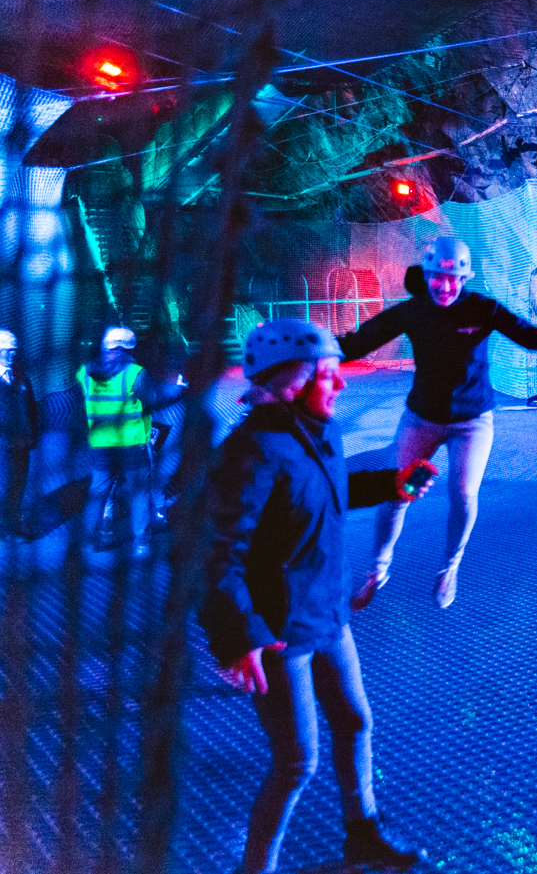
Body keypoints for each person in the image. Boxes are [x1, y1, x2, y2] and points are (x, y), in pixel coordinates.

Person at [200, 318, 432, 874]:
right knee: (295, 763)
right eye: (330, 375)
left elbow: (327, 491)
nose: (343, 385)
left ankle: (363, 837)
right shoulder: (250, 452)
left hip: (327, 615)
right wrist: (240, 638)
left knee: (355, 721)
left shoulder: (316, 429)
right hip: (281, 632)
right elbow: (214, 555)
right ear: (290, 381)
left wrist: (391, 485)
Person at [338, 236, 537, 610]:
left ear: (464, 280)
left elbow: (518, 329)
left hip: (471, 422)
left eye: (453, 280)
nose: (444, 287)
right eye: (436, 279)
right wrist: (315, 351)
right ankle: (377, 571)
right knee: (398, 492)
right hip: (422, 421)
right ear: (426, 276)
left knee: (462, 494)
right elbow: (365, 339)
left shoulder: (480, 308)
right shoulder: (413, 311)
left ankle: (449, 567)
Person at [76, 325, 184, 551]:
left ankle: (89, 539)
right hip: (132, 443)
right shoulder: (135, 372)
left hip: (100, 444)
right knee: (138, 493)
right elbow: (153, 401)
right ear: (128, 348)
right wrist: (179, 390)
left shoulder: (84, 372)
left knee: (98, 491)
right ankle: (140, 542)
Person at [0, 329, 38, 535]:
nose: (12, 355)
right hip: (3, 443)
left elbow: (31, 406)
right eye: (8, 351)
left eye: (14, 351)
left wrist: (33, 433)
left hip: (22, 441)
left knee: (18, 484)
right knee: (3, 484)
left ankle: (13, 522)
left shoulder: (20, 375)